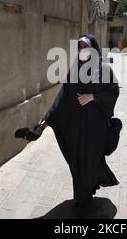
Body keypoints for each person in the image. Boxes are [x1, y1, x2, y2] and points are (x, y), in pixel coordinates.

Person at [37, 34, 120, 211]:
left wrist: (93, 96)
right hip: (77, 127)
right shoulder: (74, 71)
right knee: (78, 161)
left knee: (90, 160)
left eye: (86, 47)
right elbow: (62, 97)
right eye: (80, 47)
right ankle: (85, 192)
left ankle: (85, 196)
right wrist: (45, 121)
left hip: (96, 128)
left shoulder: (104, 70)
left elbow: (113, 91)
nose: (83, 50)